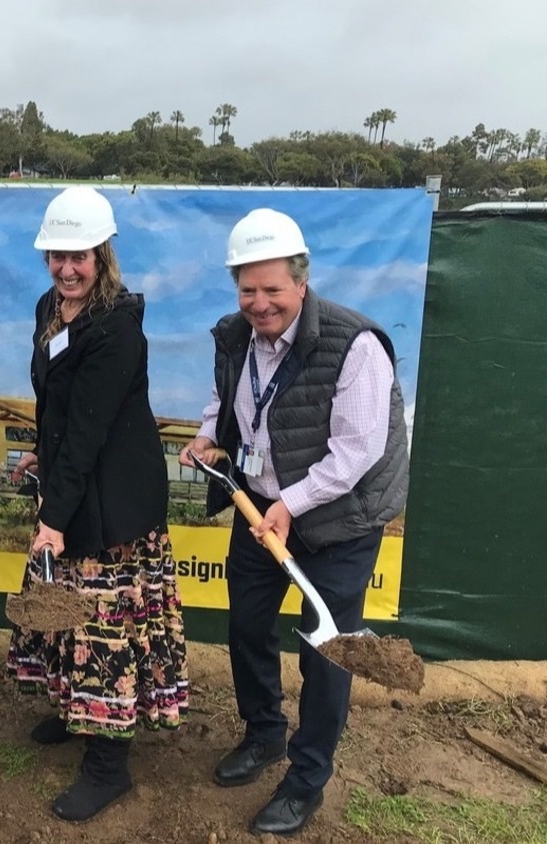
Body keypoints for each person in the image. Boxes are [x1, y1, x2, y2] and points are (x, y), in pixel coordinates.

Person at [178, 208, 409, 837]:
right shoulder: (233, 335)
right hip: (261, 508)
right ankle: (264, 735)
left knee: (325, 651)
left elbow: (358, 451)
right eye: (248, 290)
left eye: (273, 290)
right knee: (248, 626)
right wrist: (208, 436)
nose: (260, 304)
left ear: (301, 282)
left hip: (334, 521)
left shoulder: (354, 344)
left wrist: (291, 505)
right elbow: (225, 399)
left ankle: (306, 779)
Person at [4, 186, 189, 822]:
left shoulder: (116, 328)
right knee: (65, 618)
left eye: (78, 256)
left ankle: (108, 766)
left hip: (113, 508)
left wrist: (53, 518)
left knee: (105, 630)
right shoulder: (49, 310)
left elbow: (89, 429)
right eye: (57, 256)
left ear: (102, 254)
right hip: (72, 486)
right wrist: (41, 459)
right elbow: (57, 409)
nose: (67, 269)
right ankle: (75, 712)